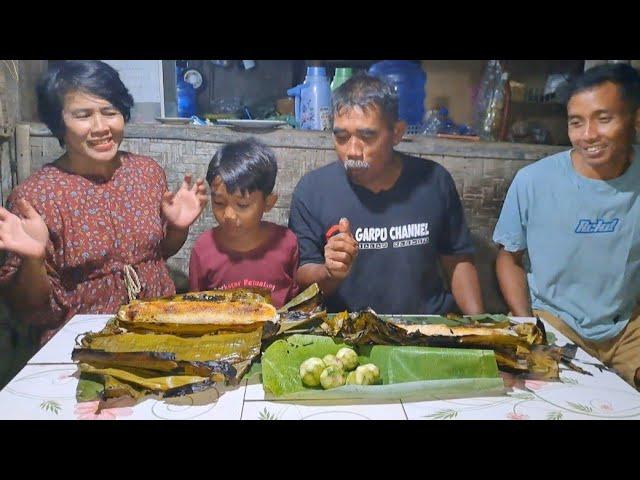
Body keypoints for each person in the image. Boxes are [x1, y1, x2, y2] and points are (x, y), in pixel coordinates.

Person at [0, 60, 208, 346]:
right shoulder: (35, 197)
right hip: (82, 341)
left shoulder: (145, 172)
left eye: (110, 112)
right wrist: (33, 260)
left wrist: (177, 228)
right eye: (83, 115)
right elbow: (27, 308)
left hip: (157, 327)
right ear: (59, 123)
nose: (100, 127)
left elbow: (157, 255)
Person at [493, 63, 640, 389]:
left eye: (604, 119)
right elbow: (508, 258)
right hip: (554, 320)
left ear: (636, 119)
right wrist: (526, 321)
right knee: (552, 396)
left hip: (628, 324)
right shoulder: (533, 181)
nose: (588, 135)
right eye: (577, 122)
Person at [288, 73, 484, 315]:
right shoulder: (312, 190)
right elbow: (303, 278)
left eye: (367, 136)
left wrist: (480, 325)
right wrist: (330, 271)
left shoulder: (434, 181)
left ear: (397, 133)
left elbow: (457, 260)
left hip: (426, 329)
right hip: (349, 333)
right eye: (341, 137)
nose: (352, 151)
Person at [188, 138, 299, 308]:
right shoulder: (203, 249)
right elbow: (195, 309)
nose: (229, 215)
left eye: (242, 205)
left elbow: (296, 306)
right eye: (219, 203)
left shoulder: (287, 243)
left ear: (268, 202)